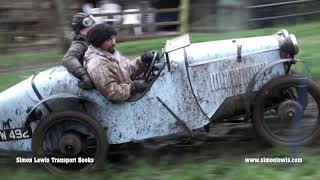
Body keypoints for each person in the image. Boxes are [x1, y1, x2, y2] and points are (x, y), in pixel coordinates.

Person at [84, 23, 157, 102]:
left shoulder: (109, 52)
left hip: (128, 92)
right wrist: (133, 87)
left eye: (113, 38)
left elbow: (127, 69)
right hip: (122, 105)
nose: (114, 42)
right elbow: (112, 93)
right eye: (109, 40)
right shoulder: (99, 65)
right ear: (98, 42)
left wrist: (142, 60)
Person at [62, 12, 96, 89]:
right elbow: (68, 58)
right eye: (90, 27)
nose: (93, 28)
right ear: (81, 30)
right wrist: (84, 75)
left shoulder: (90, 40)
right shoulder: (79, 44)